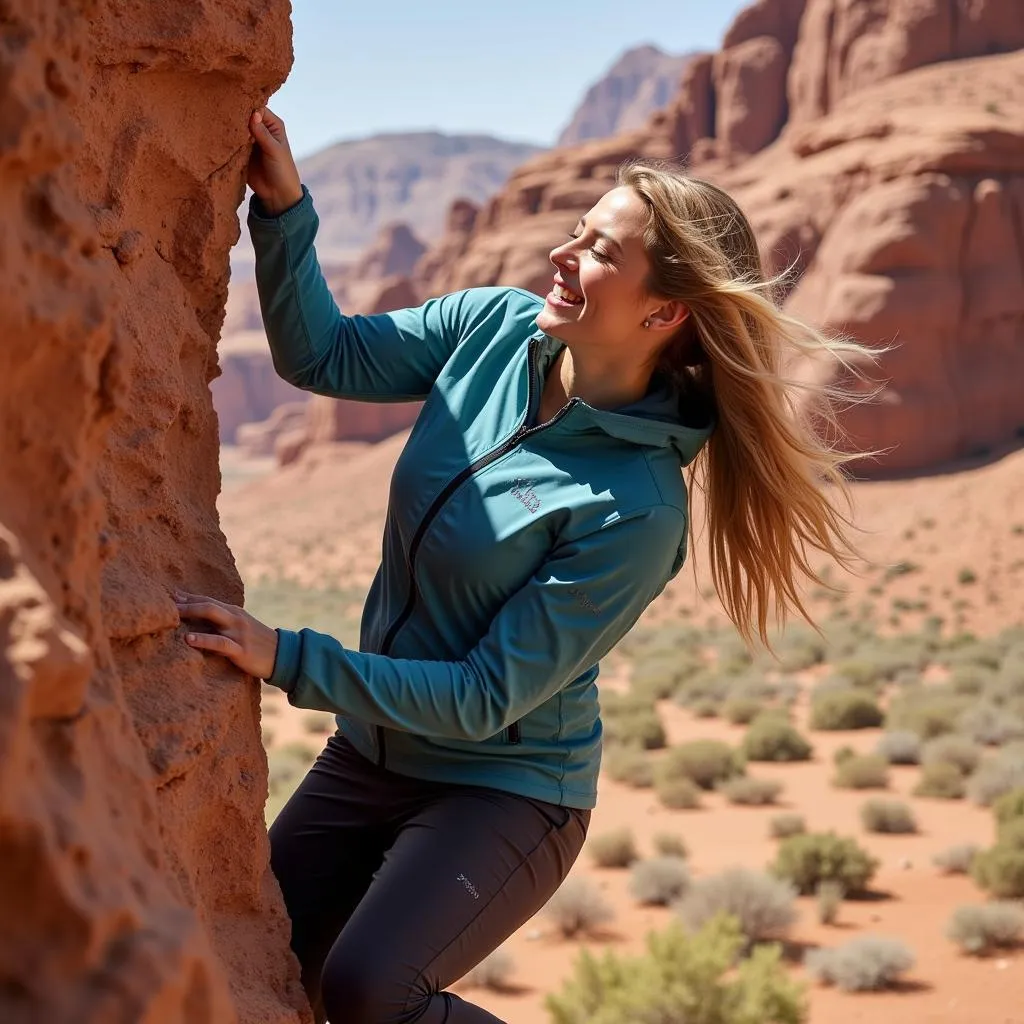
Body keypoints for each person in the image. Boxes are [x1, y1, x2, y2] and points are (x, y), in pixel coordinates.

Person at [175, 106, 865, 1023]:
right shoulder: (494, 329)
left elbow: (481, 698)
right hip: (374, 750)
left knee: (368, 990)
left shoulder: (638, 507)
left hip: (504, 789)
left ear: (665, 311)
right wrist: (286, 210)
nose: (563, 256)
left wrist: (286, 658)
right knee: (254, 950)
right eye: (576, 232)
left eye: (600, 252)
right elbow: (323, 354)